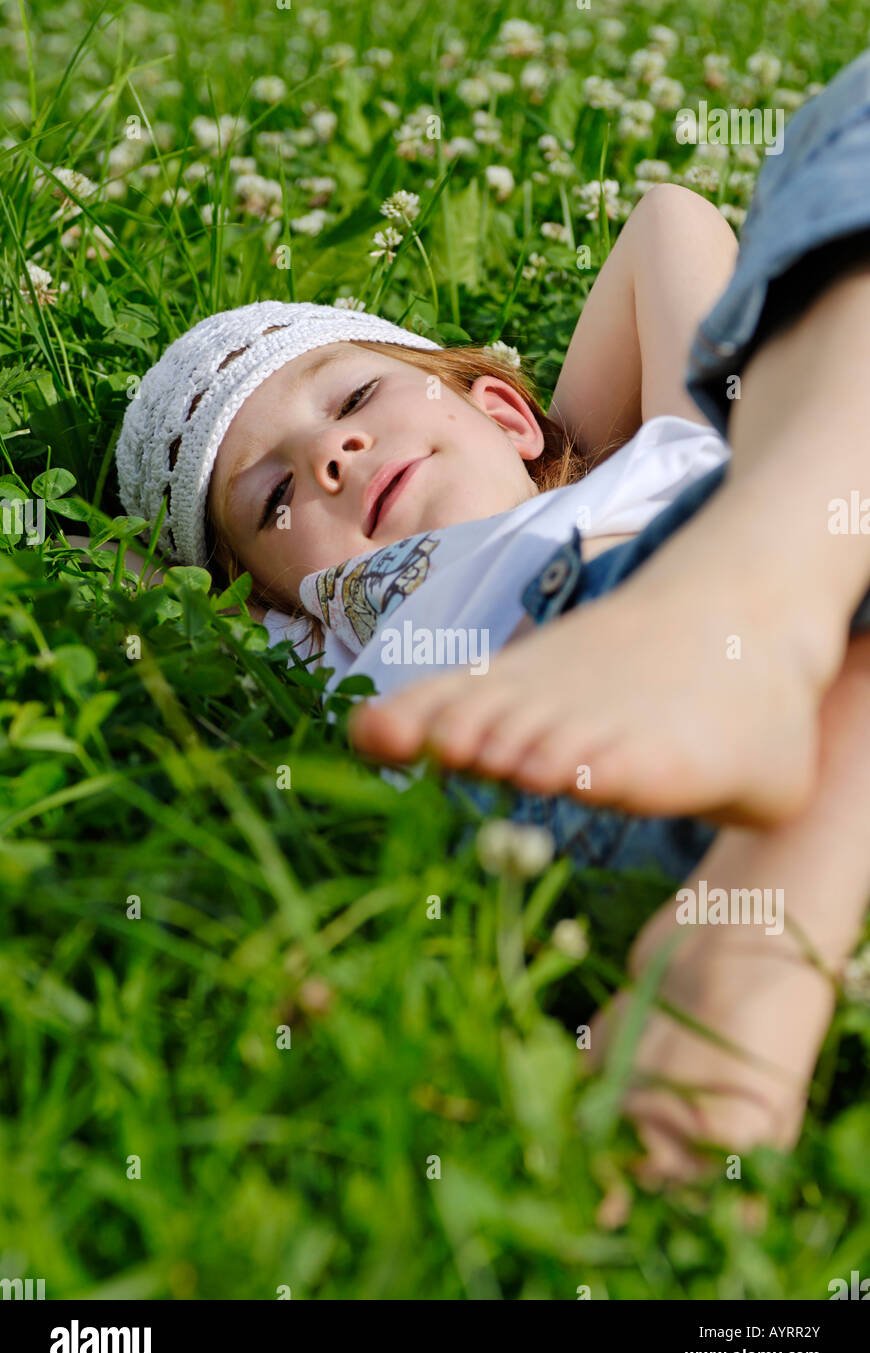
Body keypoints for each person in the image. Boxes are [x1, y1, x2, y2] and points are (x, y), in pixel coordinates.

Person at [102, 47, 870, 1182]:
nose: (328, 455)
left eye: (355, 395)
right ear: (275, 606)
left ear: (505, 407)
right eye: (270, 498)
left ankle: (748, 923)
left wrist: (564, 451)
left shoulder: (672, 447)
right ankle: (758, 609)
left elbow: (666, 216)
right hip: (571, 721)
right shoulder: (338, 624)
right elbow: (135, 590)